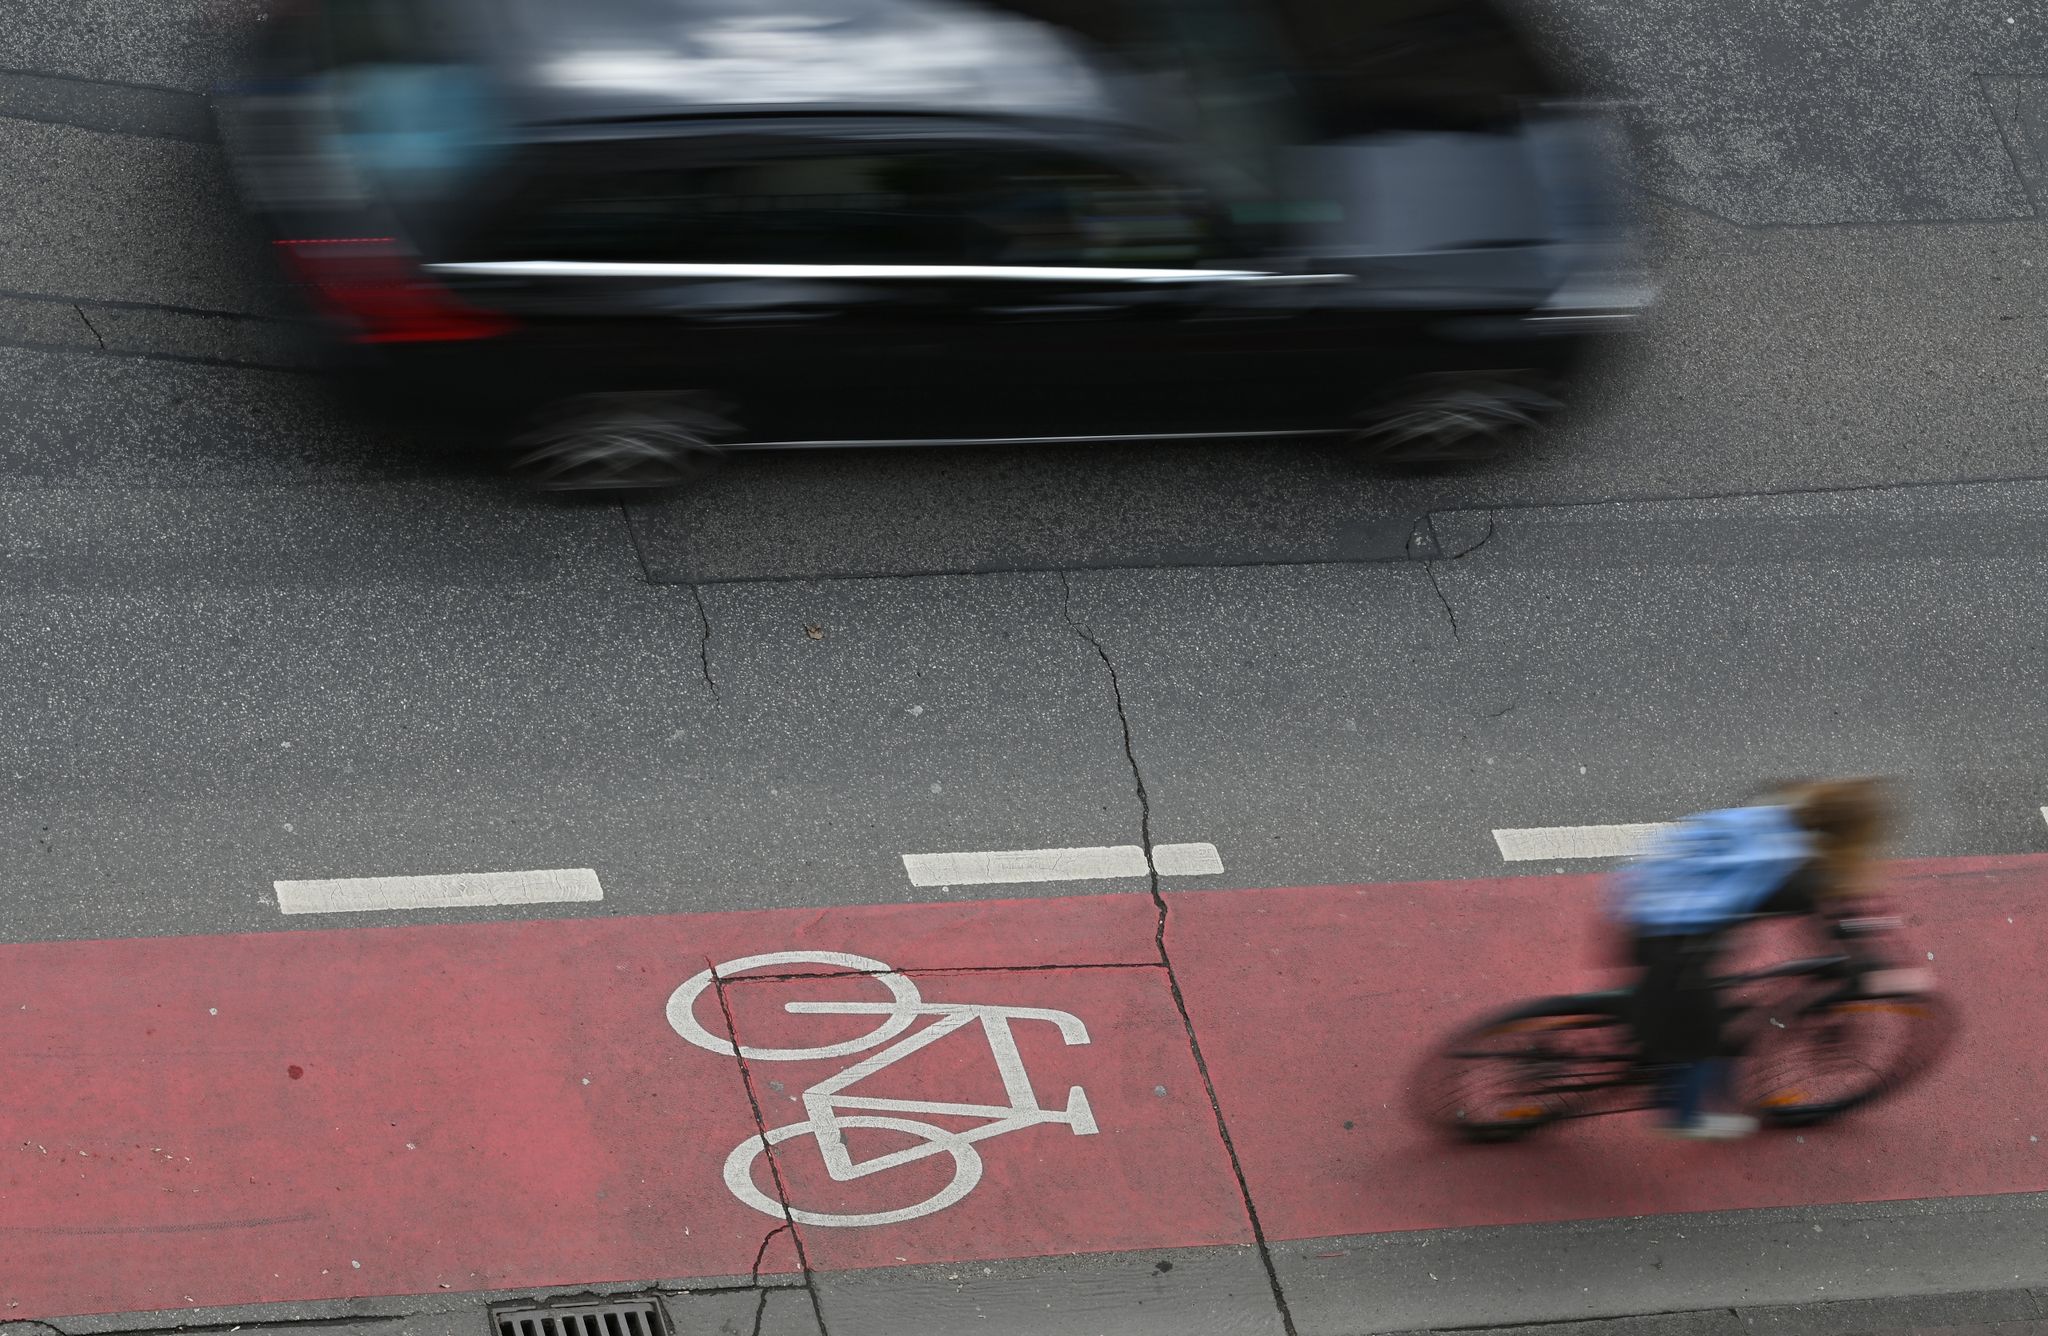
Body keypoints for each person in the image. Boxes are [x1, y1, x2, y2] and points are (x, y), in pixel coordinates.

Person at [1609, 778, 1890, 1139]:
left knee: (1698, 995)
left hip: (1645, 892)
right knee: (1705, 1035)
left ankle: (1655, 1033)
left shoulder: (1777, 810)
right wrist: (1861, 965)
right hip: (1666, 932)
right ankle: (1683, 1116)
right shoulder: (1797, 873)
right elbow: (1825, 924)